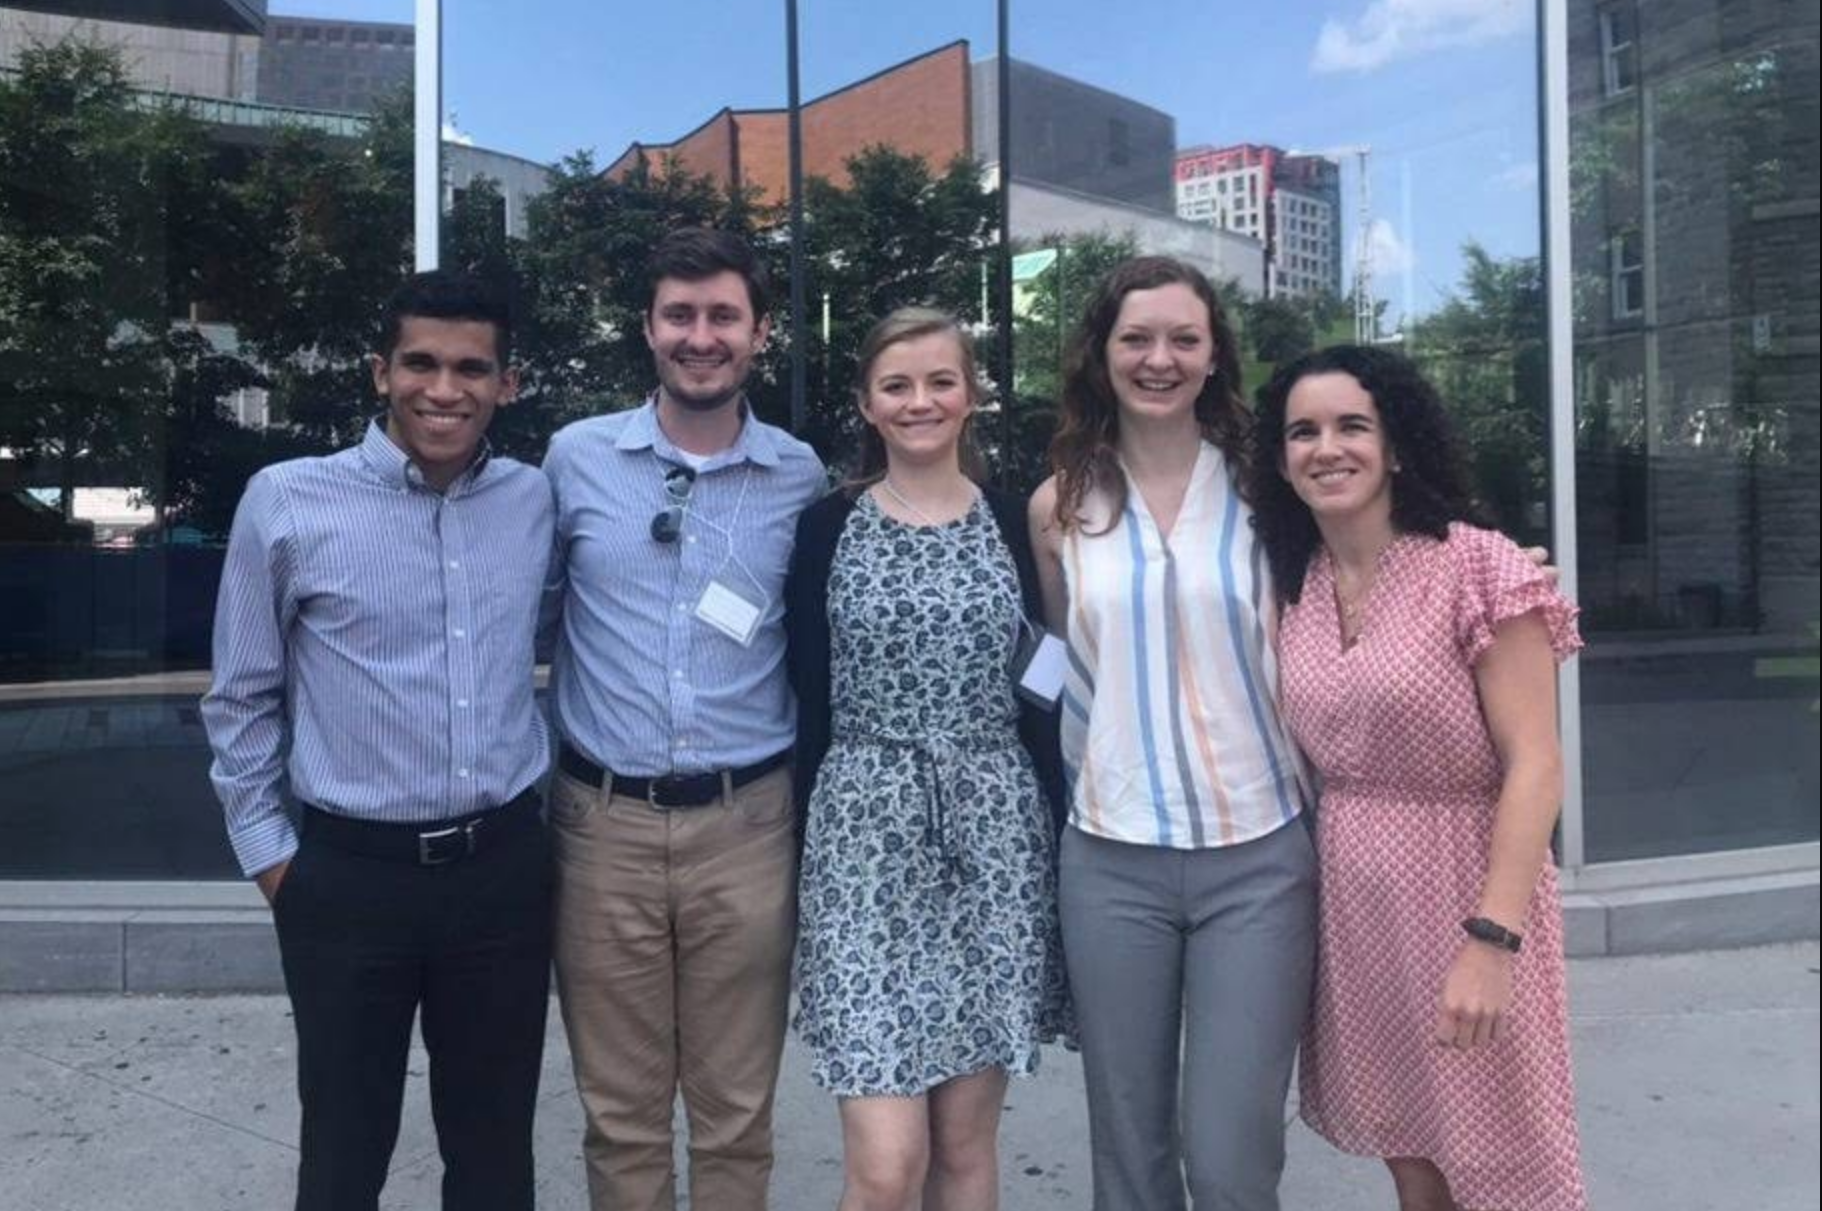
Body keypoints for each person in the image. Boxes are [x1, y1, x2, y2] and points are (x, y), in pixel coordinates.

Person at [201, 270, 556, 1211]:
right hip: (347, 881)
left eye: (472, 368)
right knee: (344, 1147)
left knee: (493, 1152)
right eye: (421, 364)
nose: (445, 390)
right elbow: (240, 698)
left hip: (502, 876)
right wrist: (275, 860)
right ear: (379, 371)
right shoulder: (285, 500)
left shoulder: (534, 501)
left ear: (505, 384)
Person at [1251, 344, 1588, 1211]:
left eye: (1351, 426)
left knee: (1508, 1166)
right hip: (1357, 900)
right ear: (1282, 460)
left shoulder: (1480, 566)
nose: (1327, 448)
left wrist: (1491, 939)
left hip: (1469, 882)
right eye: (1303, 432)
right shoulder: (1300, 583)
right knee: (1414, 1157)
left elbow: (1537, 765)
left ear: (1396, 446)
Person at [543, 226, 826, 1211]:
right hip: (602, 827)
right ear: (647, 328)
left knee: (737, 1114)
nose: (700, 335)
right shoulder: (574, 459)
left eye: (722, 315)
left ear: (758, 332)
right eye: (680, 315)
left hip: (749, 825)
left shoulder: (799, 476)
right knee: (619, 1114)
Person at [1027, 256, 1317, 1211]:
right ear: (1101, 355)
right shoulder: (1058, 505)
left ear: (1213, 356)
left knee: (1233, 1162)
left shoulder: (1270, 489)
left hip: (1258, 854)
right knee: (1131, 1155)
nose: (1160, 358)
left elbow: (1374, 578)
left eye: (1183, 338)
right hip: (1110, 859)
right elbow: (1069, 666)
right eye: (1136, 338)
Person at [785, 308, 1072, 1211]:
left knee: (964, 1148)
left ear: (971, 394)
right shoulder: (827, 527)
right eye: (897, 386)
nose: (921, 402)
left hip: (996, 841)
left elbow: (1058, 670)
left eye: (941, 381)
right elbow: (803, 693)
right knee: (884, 1165)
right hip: (863, 843)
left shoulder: (1018, 516)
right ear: (868, 404)